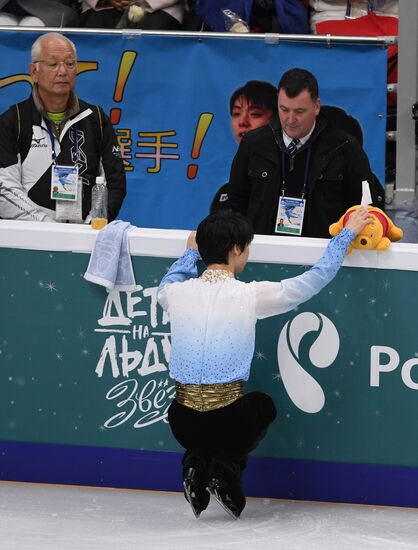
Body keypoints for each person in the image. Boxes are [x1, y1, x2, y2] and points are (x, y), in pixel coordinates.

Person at [157, 206, 373, 519]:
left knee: (206, 425)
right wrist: (346, 235)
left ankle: (195, 463)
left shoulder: (173, 293)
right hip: (230, 423)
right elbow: (314, 279)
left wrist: (189, 255)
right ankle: (224, 468)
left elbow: (170, 280)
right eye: (247, 248)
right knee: (262, 406)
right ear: (236, 249)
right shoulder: (249, 295)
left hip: (181, 422)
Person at [228, 67, 383, 238]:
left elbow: (366, 209)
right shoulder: (254, 144)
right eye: (284, 109)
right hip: (263, 251)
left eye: (299, 111)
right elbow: (236, 204)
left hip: (325, 255)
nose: (290, 119)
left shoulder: (344, 147)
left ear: (316, 107)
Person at [0, 32, 126, 223]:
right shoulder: (14, 120)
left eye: (69, 63)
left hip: (84, 236)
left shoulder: (96, 119)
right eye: (52, 64)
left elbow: (114, 183)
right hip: (29, 238)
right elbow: (4, 187)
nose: (62, 71)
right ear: (34, 72)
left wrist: (91, 224)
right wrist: (46, 227)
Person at [210, 80, 277, 213]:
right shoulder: (224, 194)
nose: (242, 122)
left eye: (255, 114)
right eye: (236, 114)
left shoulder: (284, 184)